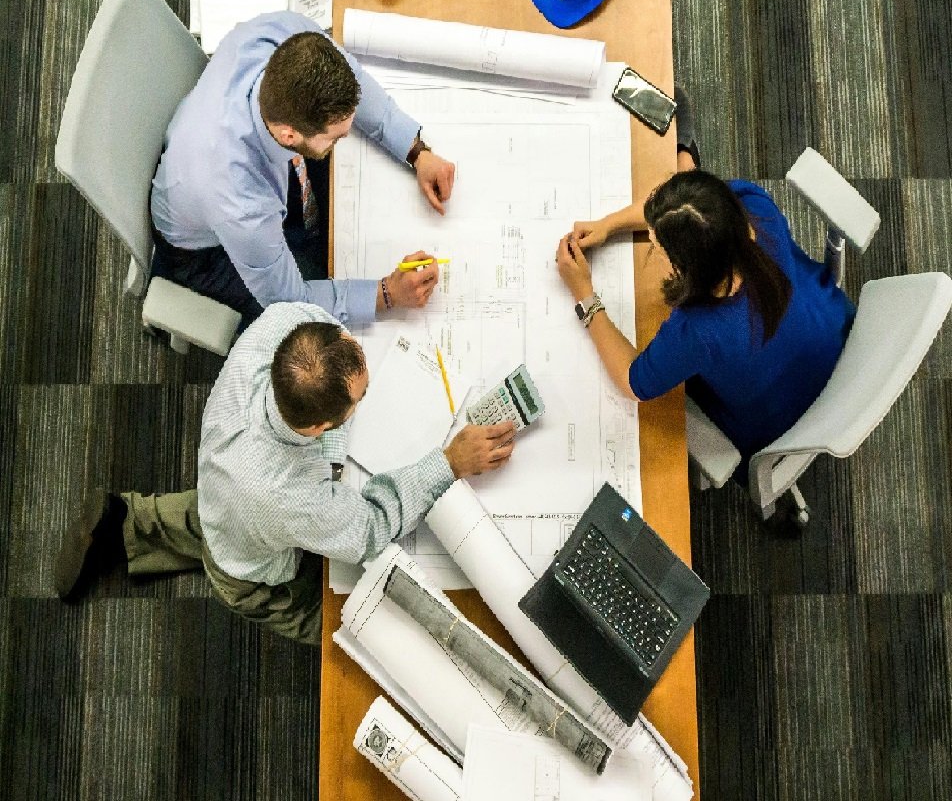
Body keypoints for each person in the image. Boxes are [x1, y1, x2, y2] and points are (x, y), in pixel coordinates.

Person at [54, 302, 516, 645]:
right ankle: (343, 632)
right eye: (361, 398)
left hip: (225, 484)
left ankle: (127, 519)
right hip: (250, 568)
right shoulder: (288, 497)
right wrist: (449, 462)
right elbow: (370, 529)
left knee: (217, 515)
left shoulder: (283, 325)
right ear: (318, 428)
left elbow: (329, 333)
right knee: (350, 623)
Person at [151, 11, 457, 327]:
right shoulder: (241, 202)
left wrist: (416, 151)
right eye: (336, 137)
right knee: (308, 318)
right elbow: (290, 303)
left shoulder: (283, 35)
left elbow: (354, 81)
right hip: (203, 252)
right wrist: (387, 294)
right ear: (289, 135)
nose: (347, 135)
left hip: (204, 153)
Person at [555, 164, 855, 475]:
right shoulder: (753, 206)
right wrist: (609, 225)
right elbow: (684, 210)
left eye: (657, 247)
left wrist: (584, 294)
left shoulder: (699, 332)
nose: (652, 247)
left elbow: (634, 382)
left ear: (685, 268)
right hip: (833, 331)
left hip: (782, 418)